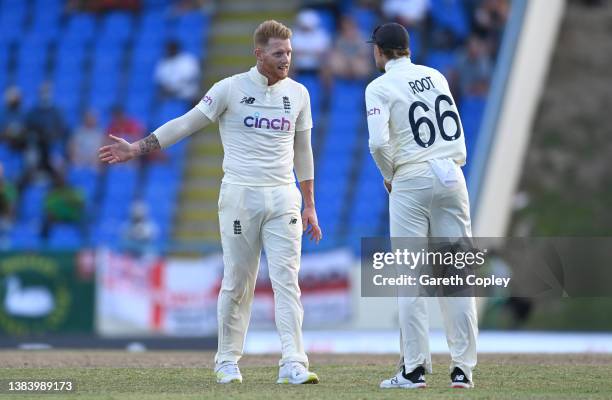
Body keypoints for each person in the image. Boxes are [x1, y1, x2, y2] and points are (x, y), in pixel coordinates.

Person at [99, 20, 322, 385]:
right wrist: (137, 148)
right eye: (279, 53)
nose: (286, 59)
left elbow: (303, 150)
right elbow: (185, 124)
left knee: (287, 281)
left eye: (290, 53)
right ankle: (227, 361)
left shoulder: (299, 94)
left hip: (284, 196)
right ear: (259, 53)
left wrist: (309, 204)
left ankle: (293, 362)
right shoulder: (229, 89)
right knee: (238, 281)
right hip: (240, 195)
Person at [364, 23, 477, 389]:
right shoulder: (436, 75)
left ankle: (414, 369)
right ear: (408, 49)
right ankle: (462, 369)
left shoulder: (379, 87)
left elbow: (379, 144)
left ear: (379, 51)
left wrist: (389, 174)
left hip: (411, 175)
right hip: (452, 174)